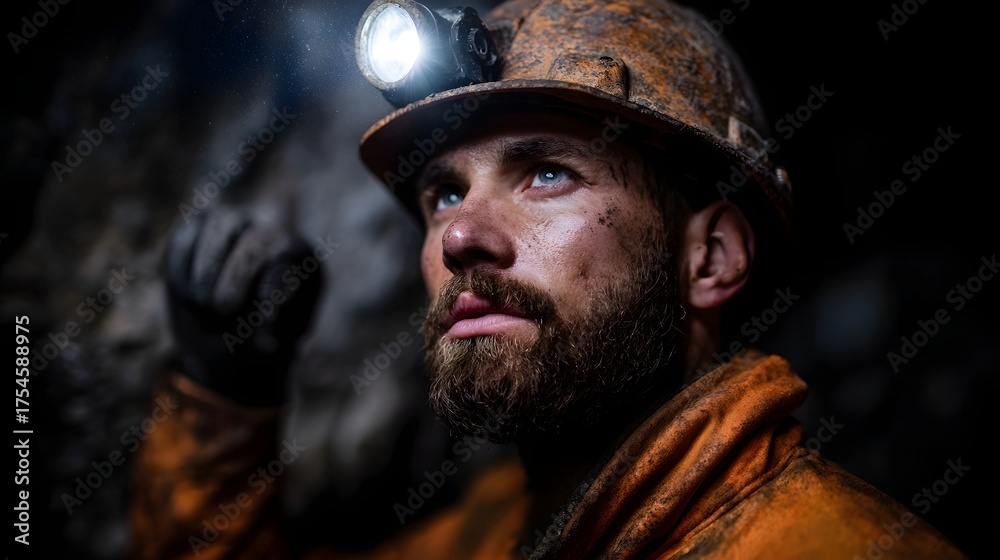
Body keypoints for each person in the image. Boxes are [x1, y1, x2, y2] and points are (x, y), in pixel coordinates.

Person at [130, 0, 967, 558]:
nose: (460, 235)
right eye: (444, 192)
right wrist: (223, 397)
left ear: (710, 257)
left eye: (546, 174)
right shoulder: (497, 531)